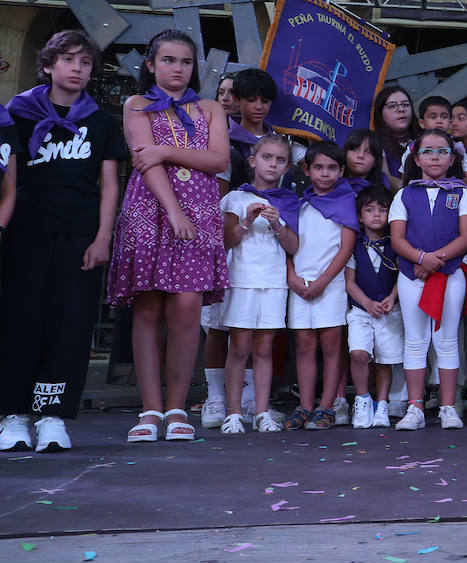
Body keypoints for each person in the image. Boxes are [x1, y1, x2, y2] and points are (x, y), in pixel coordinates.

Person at [0, 31, 124, 453]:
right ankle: (13, 414)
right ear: (49, 65)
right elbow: (8, 180)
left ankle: (52, 417)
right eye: (68, 59)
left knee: (70, 325)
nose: (77, 68)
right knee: (20, 323)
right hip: (25, 234)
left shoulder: (103, 121)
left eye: (85, 62)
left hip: (79, 237)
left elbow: (109, 186)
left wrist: (103, 236)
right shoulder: (18, 113)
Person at [108, 30, 230, 444]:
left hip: (200, 214)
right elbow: (145, 160)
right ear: (150, 64)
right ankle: (149, 409)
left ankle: (177, 407)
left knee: (186, 309)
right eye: (168, 60)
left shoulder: (210, 107)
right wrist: (173, 209)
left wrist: (166, 151)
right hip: (151, 210)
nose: (177, 69)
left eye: (185, 62)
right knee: (147, 310)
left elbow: (218, 160)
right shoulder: (136, 104)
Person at [390, 129, 467, 431]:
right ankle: (415, 407)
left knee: (447, 339)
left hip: (450, 275)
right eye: (428, 151)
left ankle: (448, 406)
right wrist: (421, 259)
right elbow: (397, 238)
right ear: (416, 158)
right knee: (415, 340)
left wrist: (434, 259)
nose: (435, 156)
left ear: (453, 158)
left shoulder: (461, 192)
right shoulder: (404, 194)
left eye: (442, 151)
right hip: (411, 274)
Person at [219, 135, 299, 435]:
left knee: (265, 347)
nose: (273, 164)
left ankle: (262, 412)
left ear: (287, 167)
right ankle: (234, 412)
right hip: (242, 281)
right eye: (267, 157)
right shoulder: (236, 198)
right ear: (253, 161)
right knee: (239, 346)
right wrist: (245, 222)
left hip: (274, 283)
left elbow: (293, 247)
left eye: (280, 160)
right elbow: (226, 241)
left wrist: (278, 224)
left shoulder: (290, 201)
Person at [284, 140, 357, 431]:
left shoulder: (347, 201)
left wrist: (324, 280)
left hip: (331, 285)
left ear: (341, 170)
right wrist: (291, 277)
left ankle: (327, 406)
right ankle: (305, 405)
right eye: (318, 168)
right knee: (303, 344)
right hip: (300, 285)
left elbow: (346, 248)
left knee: (331, 345)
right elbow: (288, 245)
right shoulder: (299, 203)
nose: (324, 174)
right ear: (306, 168)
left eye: (331, 168)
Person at [344, 185, 401, 430]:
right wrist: (366, 303)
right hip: (360, 310)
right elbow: (349, 281)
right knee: (359, 353)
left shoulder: (396, 244)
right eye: (370, 210)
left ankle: (382, 403)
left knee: (385, 359)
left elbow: (403, 277)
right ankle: (362, 398)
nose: (376, 215)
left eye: (382, 210)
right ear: (360, 216)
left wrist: (392, 297)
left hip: (389, 310)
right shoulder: (353, 245)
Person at [372, 85, 417, 188]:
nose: (401, 109)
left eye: (405, 104)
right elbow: (385, 177)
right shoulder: (374, 142)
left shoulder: (426, 138)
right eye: (392, 106)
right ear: (380, 113)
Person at [343, 127, 386, 192]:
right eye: (355, 150)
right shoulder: (331, 182)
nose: (361, 156)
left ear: (375, 161)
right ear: (345, 153)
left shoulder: (382, 183)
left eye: (368, 152)